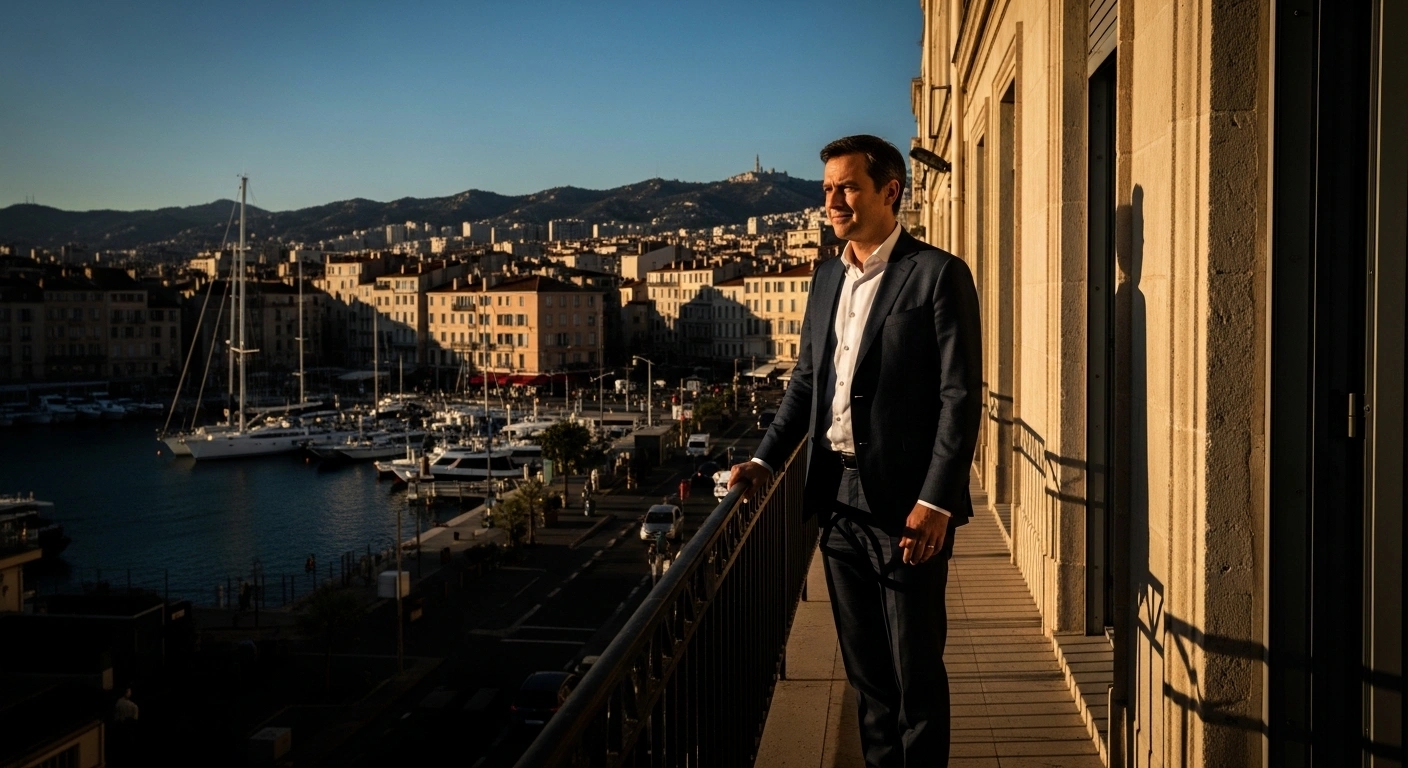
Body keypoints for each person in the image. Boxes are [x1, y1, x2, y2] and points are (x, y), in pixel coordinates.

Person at [730, 135, 981, 768]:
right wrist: (762, 461)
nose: (832, 201)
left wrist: (936, 502)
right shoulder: (825, 278)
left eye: (846, 187)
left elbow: (959, 397)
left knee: (914, 675)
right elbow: (806, 385)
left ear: (890, 191)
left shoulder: (937, 274)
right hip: (836, 500)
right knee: (867, 677)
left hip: (907, 505)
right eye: (827, 190)